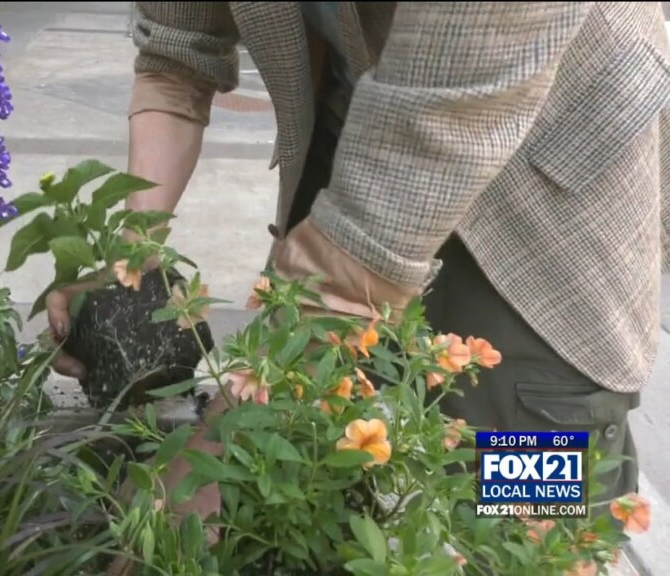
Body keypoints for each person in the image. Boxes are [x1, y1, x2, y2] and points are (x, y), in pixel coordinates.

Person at [46, 0, 669, 553]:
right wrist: (132, 255)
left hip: (542, 195)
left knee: (520, 513)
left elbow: (447, 116)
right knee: (331, 467)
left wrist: (230, 439)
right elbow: (177, 54)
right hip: (358, 153)